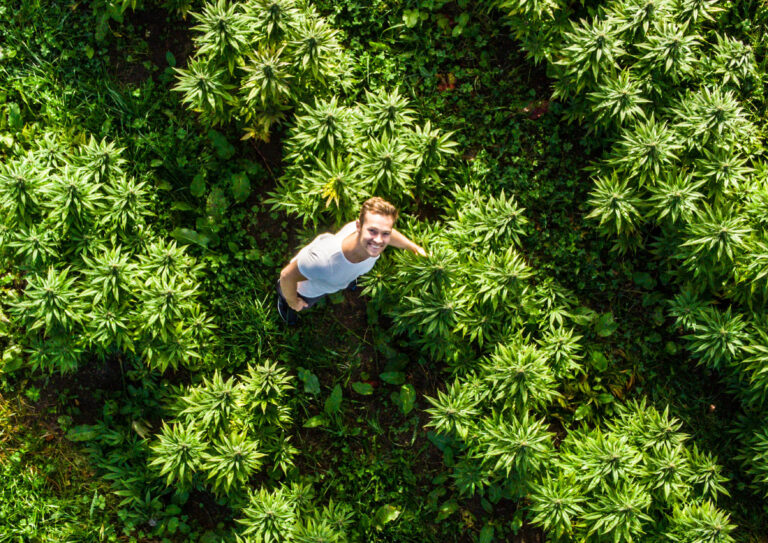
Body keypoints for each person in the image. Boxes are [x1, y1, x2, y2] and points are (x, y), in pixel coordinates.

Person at [277, 197, 426, 324]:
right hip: (305, 291)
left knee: (340, 281)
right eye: (372, 231)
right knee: (298, 301)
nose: (379, 240)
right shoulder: (322, 261)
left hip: (337, 277)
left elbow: (390, 234)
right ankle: (285, 305)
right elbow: (286, 276)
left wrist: (414, 248)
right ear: (358, 226)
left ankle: (345, 281)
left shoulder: (371, 244)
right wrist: (293, 302)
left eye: (385, 233)